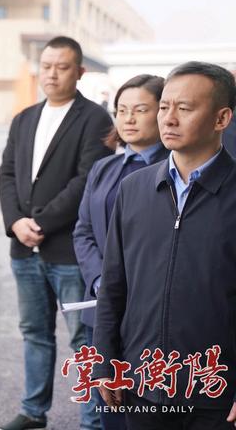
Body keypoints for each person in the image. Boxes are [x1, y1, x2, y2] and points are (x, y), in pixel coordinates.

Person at [94, 62, 236, 429]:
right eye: (164, 107)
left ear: (222, 118)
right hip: (142, 384)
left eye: (184, 108)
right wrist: (105, 362)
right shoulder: (134, 189)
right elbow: (113, 286)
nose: (169, 119)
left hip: (215, 391)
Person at [0, 36, 113, 430]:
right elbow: (7, 173)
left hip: (68, 252)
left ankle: (93, 421)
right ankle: (33, 411)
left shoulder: (95, 119)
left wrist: (41, 223)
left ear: (79, 72)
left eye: (62, 67)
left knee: (84, 339)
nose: (52, 74)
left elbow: (86, 180)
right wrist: (16, 222)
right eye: (46, 66)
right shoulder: (24, 118)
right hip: (24, 250)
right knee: (34, 333)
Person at [73, 74, 168, 430]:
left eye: (140, 110)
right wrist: (101, 280)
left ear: (163, 112)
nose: (128, 118)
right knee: (108, 409)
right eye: (122, 110)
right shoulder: (104, 168)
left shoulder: (174, 170)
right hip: (102, 311)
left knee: (151, 412)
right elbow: (83, 231)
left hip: (152, 313)